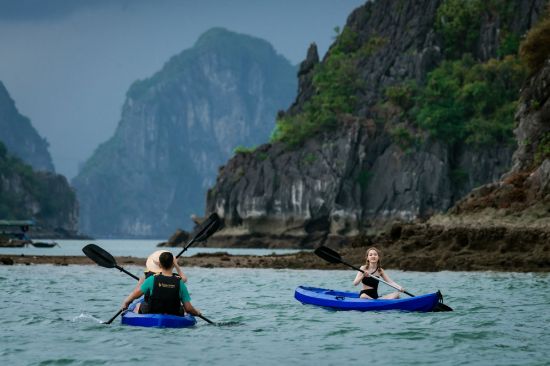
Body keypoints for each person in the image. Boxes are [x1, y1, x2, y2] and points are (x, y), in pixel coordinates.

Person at [121, 251, 201, 317]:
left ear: (159, 265)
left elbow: (135, 294)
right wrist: (197, 312)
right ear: (173, 264)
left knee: (138, 305)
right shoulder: (179, 282)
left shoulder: (151, 279)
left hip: (152, 311)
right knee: (183, 309)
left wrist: (126, 303)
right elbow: (188, 308)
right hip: (174, 313)